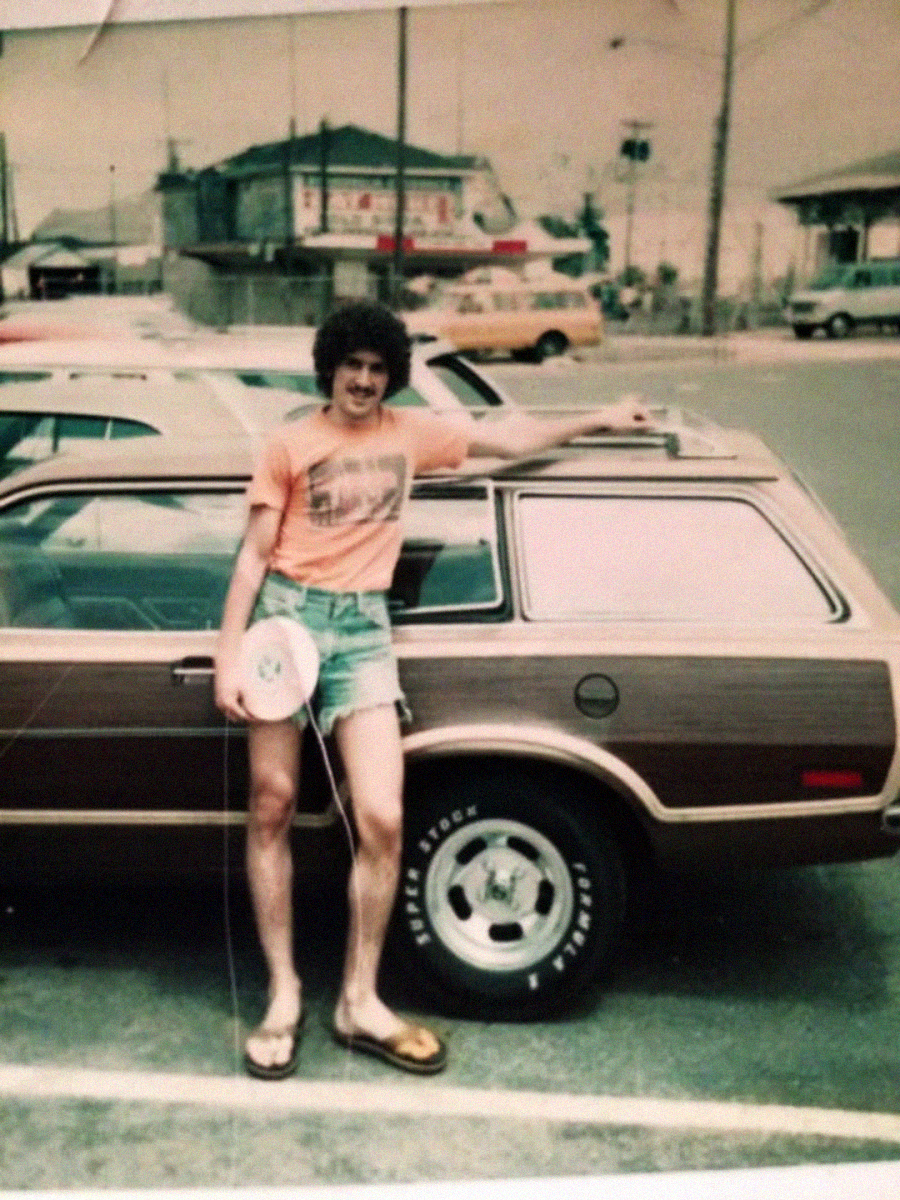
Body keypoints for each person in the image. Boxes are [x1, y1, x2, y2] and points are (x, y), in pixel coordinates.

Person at [214, 300, 650, 1080]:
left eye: (379, 369)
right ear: (330, 366)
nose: (364, 380)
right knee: (272, 802)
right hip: (285, 623)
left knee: (381, 816)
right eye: (352, 365)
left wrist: (605, 416)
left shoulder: (409, 434)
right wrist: (227, 659)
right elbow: (252, 559)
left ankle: (358, 999)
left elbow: (510, 435)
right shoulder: (288, 443)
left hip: (363, 634)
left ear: (393, 376)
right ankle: (283, 992)